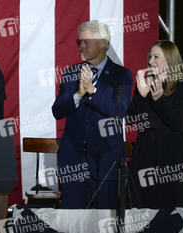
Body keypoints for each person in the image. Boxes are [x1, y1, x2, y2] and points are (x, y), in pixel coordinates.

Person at [52, 20, 133, 209]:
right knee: (74, 224)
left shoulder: (121, 75)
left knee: (106, 224)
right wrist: (79, 94)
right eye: (79, 42)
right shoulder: (72, 72)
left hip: (106, 160)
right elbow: (57, 110)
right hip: (73, 160)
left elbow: (117, 111)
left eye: (86, 42)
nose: (81, 46)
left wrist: (92, 91)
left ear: (103, 43)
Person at [126, 40, 183, 210]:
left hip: (169, 153)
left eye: (156, 56)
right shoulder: (146, 83)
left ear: (169, 59)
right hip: (144, 149)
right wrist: (141, 95)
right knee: (141, 203)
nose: (150, 61)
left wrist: (158, 100)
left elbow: (176, 123)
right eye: (150, 56)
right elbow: (131, 118)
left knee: (166, 204)